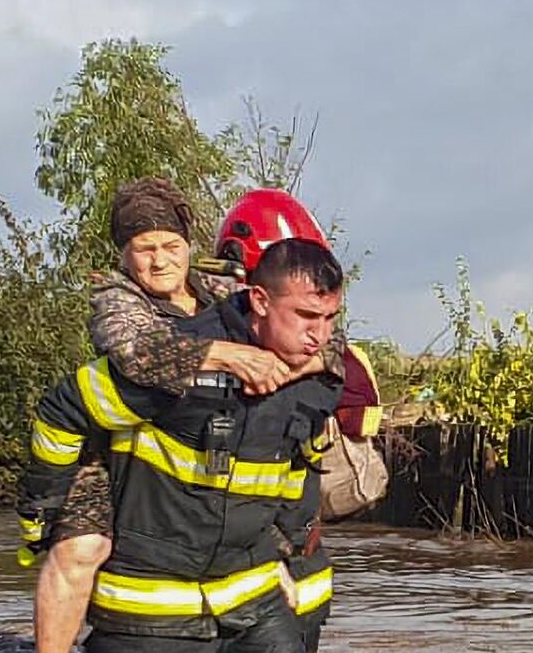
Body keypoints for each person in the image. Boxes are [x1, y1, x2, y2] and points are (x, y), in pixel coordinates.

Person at [30, 180, 344, 653]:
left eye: (171, 246)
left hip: (209, 451)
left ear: (189, 246)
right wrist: (228, 357)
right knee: (81, 547)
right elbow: (138, 356)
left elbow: (317, 334)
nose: (160, 261)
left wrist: (293, 367)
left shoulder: (218, 288)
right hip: (112, 442)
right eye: (144, 249)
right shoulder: (115, 298)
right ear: (124, 255)